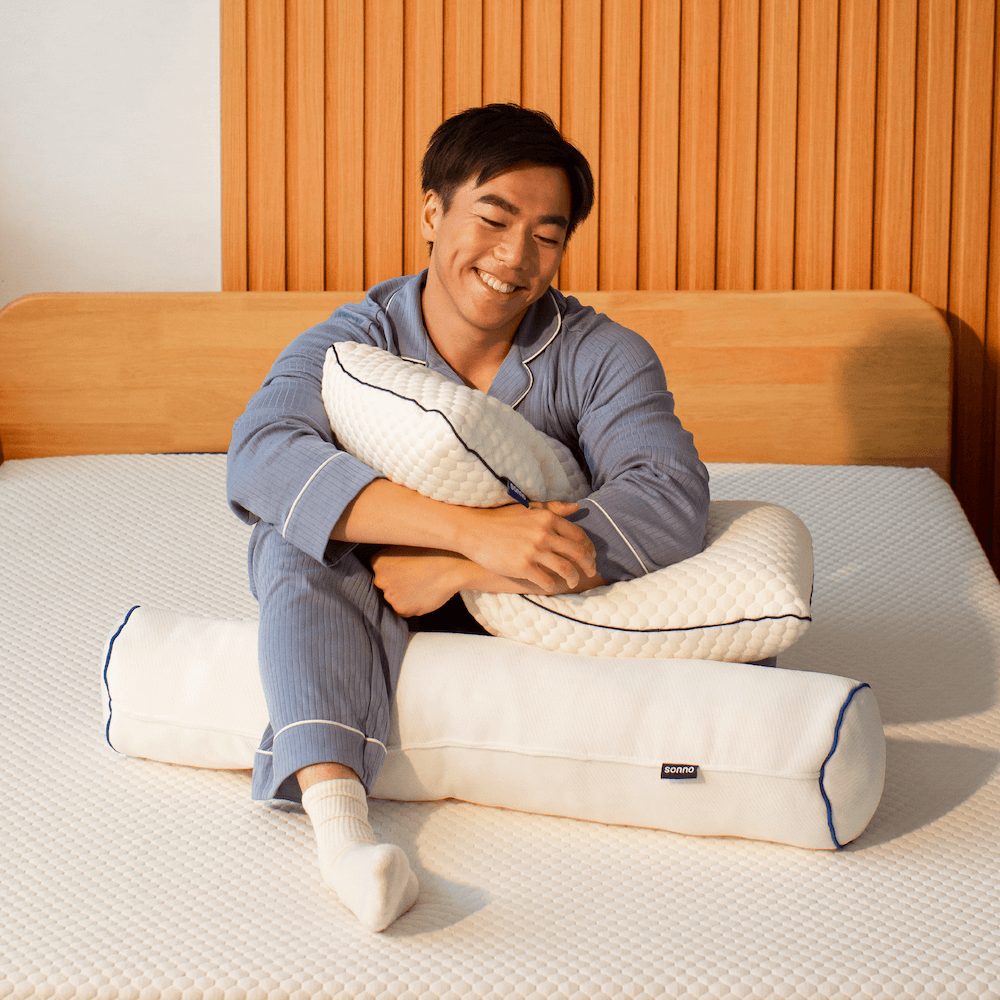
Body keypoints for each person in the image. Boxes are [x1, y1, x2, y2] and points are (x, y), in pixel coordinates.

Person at [227, 104, 710, 931]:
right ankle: (343, 837)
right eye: (493, 219)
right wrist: (464, 529)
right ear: (431, 213)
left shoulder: (602, 356)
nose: (515, 256)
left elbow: (668, 493)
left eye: (546, 235)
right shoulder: (354, 344)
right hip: (380, 583)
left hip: (528, 597)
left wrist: (464, 570)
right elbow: (261, 452)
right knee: (294, 542)